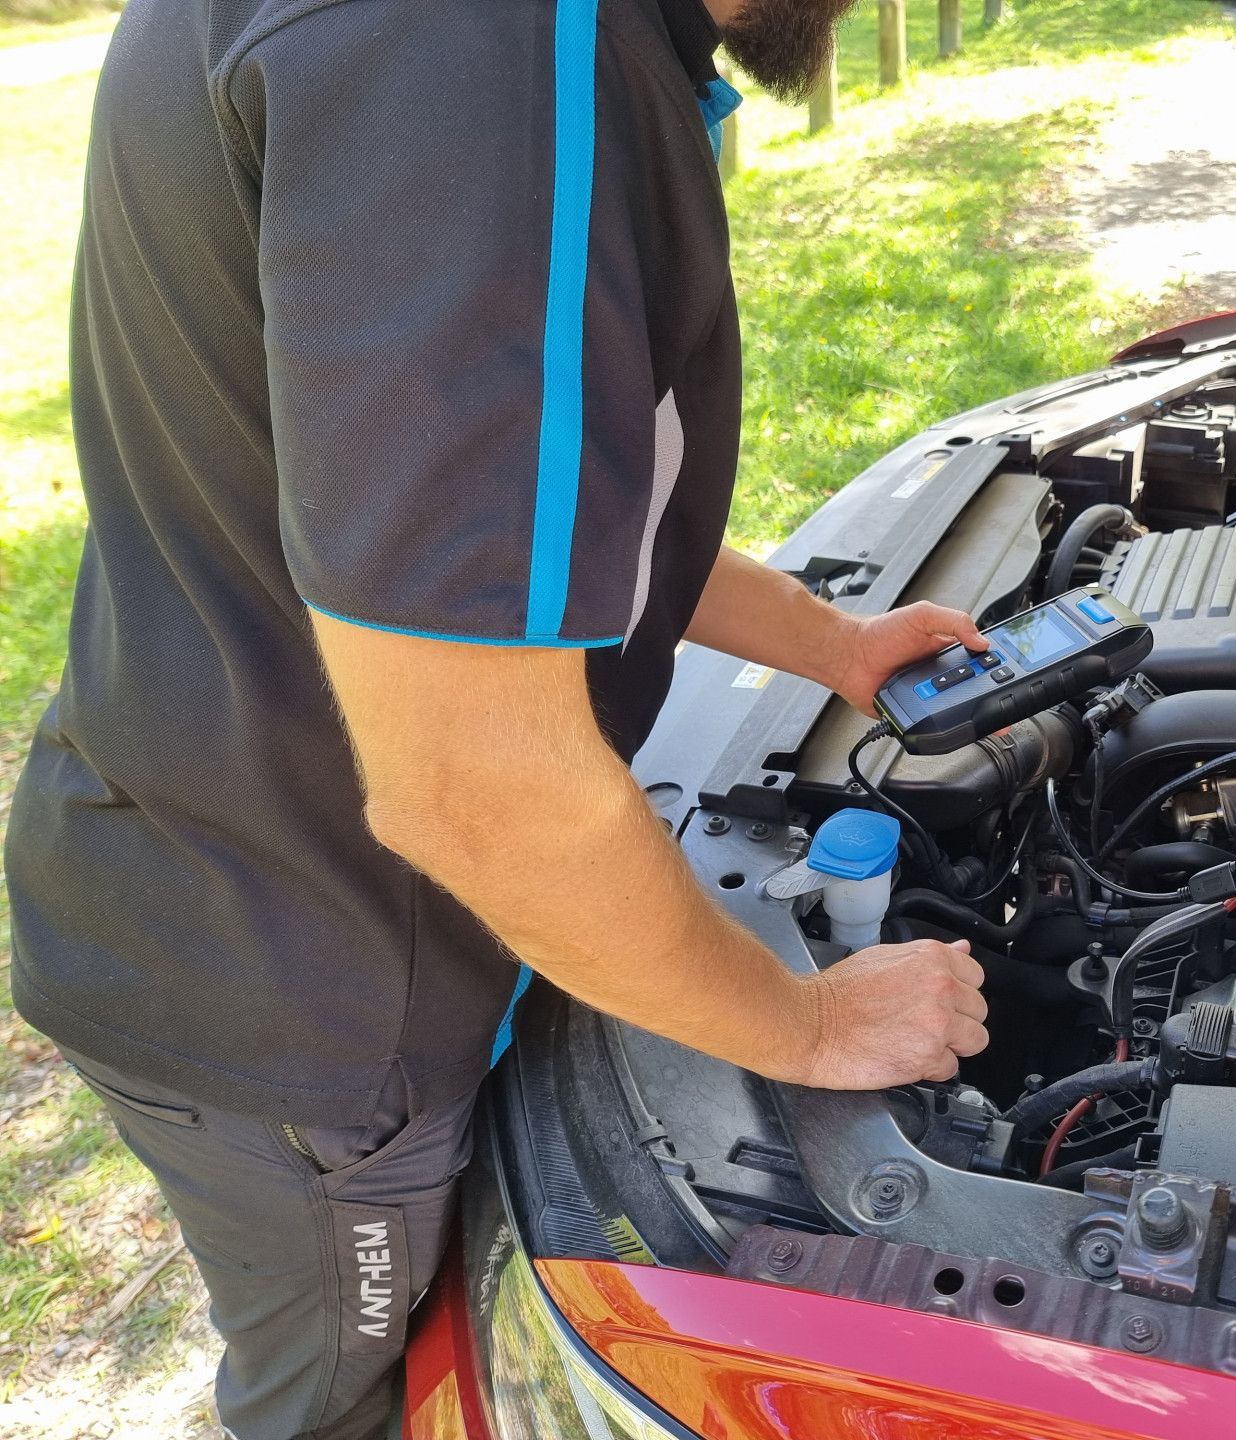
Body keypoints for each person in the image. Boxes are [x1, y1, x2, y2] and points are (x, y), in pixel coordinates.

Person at [2, 0, 990, 1430]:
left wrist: (833, 643)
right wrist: (811, 1029)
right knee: (339, 1402)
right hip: (304, 1002)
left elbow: (532, 519)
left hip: (210, 876)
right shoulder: (474, 50)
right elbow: (477, 788)